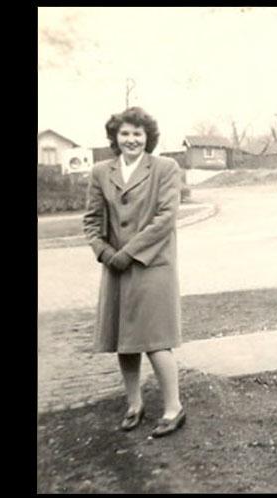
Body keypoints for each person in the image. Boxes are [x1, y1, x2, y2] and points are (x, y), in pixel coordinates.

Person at [82, 107, 185, 438]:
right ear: (115, 137)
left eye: (138, 134)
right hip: (115, 267)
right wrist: (105, 252)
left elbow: (166, 218)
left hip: (151, 264)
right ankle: (134, 404)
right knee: (125, 342)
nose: (131, 140)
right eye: (125, 133)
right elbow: (92, 221)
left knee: (155, 341)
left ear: (148, 138)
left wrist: (129, 253)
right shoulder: (101, 172)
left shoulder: (165, 168)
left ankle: (173, 408)